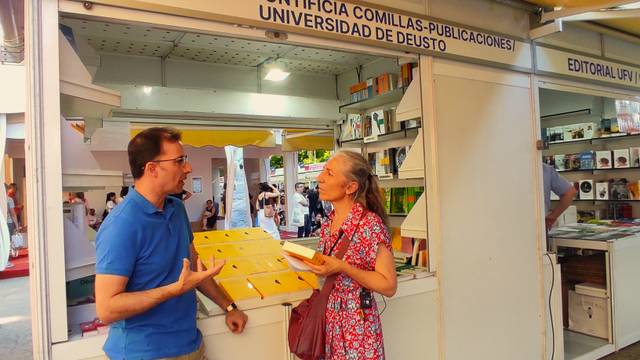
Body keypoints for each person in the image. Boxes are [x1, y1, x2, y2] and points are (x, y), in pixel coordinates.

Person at [95, 127, 247, 359]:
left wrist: (229, 307)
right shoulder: (121, 225)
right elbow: (107, 309)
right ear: (152, 169)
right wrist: (173, 290)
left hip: (190, 346)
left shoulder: (176, 209)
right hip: (144, 353)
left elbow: (194, 268)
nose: (188, 168)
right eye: (179, 161)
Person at [305, 150, 397, 359]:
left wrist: (342, 267)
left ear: (350, 187)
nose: (320, 178)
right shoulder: (329, 221)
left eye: (329, 173)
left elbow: (389, 285)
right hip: (330, 322)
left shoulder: (369, 225)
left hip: (357, 324)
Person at [543, 163, 577, 231]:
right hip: (540, 224)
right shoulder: (544, 169)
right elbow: (570, 192)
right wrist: (553, 216)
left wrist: (553, 216)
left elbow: (570, 192)